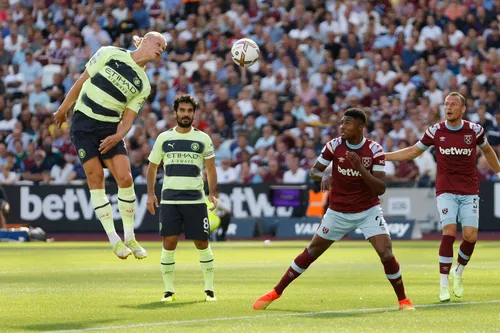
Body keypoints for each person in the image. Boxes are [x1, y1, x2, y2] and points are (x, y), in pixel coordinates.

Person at [253, 108, 414, 311]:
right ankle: (276, 292)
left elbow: (380, 188)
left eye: (347, 123)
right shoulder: (334, 146)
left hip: (368, 210)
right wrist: (323, 176)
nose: (342, 127)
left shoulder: (374, 150)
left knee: (386, 253)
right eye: (341, 123)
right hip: (338, 211)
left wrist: (360, 168)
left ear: (360, 127)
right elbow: (314, 170)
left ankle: (403, 300)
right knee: (312, 251)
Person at [53, 32, 167, 259]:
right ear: (144, 40)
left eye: (164, 48)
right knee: (95, 177)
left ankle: (130, 237)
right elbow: (82, 81)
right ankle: (114, 239)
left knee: (125, 178)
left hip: (109, 129)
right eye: (159, 43)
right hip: (84, 124)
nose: (161, 49)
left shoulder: (143, 84)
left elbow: (128, 118)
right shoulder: (109, 53)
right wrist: (64, 107)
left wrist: (118, 136)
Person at [385, 92, 500, 302]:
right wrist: (382, 156)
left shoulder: (474, 131)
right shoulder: (435, 130)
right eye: (446, 104)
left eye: (454, 104)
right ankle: (443, 284)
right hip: (445, 189)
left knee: (470, 235)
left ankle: (458, 273)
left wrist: (499, 172)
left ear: (463, 109)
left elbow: (488, 151)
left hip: (469, 190)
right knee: (449, 231)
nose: (449, 107)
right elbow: (412, 152)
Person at [146, 94, 219, 302]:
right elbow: (152, 168)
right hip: (170, 200)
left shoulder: (203, 138)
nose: (186, 114)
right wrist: (150, 195)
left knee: (202, 243)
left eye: (189, 111)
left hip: (195, 200)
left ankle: (209, 290)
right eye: (182, 110)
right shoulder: (164, 138)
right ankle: (168, 291)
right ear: (175, 112)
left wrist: (213, 193)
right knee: (169, 243)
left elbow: (211, 169)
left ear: (194, 114)